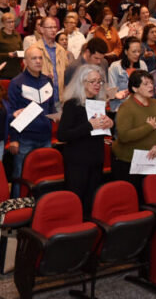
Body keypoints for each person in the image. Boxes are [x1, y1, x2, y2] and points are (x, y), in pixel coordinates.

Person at [57, 64, 114, 217]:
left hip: (96, 158)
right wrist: (89, 126)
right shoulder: (72, 104)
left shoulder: (99, 103)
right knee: (76, 201)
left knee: (92, 201)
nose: (97, 85)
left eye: (99, 81)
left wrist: (109, 126)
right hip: (77, 161)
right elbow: (62, 135)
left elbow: (99, 133)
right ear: (82, 83)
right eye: (93, 81)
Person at [6, 47, 57, 197]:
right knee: (20, 176)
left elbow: (51, 106)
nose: (38, 61)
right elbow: (12, 112)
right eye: (34, 58)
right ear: (25, 61)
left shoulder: (47, 80)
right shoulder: (16, 83)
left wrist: (56, 117)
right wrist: (14, 139)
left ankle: (41, 207)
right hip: (24, 138)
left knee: (43, 176)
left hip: (46, 137)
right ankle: (17, 208)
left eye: (40, 58)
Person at [108, 36, 148, 110]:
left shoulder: (142, 65)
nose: (137, 54)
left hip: (139, 105)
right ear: (126, 51)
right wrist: (117, 94)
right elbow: (111, 93)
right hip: (121, 106)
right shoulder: (115, 67)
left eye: (139, 51)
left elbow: (147, 88)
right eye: (134, 51)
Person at [0, 12, 22, 79]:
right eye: (8, 22)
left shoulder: (17, 35)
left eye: (13, 22)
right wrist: (7, 55)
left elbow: (22, 50)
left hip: (16, 69)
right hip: (4, 70)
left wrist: (19, 53)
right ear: (3, 23)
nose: (11, 24)